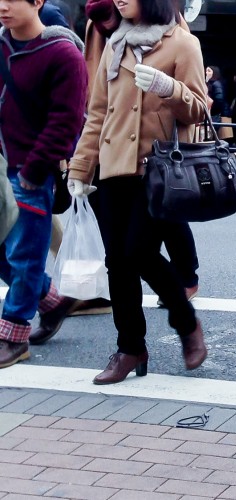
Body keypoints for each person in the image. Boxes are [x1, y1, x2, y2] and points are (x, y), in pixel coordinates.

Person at [68, 0, 208, 385]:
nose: (118, 0)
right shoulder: (116, 43)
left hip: (157, 171)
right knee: (118, 262)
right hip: (113, 169)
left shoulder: (182, 44)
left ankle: (185, 322)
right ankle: (130, 348)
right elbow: (98, 113)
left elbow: (198, 108)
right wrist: (81, 167)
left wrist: (169, 88)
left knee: (139, 253)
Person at [0, 0, 89, 368]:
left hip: (29, 172)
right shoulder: (3, 45)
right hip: (1, 166)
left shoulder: (64, 54)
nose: (3, 7)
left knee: (25, 256)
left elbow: (67, 121)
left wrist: (34, 170)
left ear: (38, 2)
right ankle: (51, 301)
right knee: (12, 254)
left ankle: (13, 335)